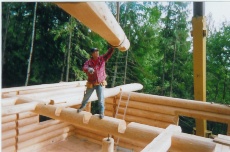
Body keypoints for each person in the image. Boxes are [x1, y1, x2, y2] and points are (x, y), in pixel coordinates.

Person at [77, 46, 115, 119]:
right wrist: (89, 69)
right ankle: (82, 107)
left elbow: (108, 54)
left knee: (100, 99)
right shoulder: (89, 62)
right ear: (92, 54)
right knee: (86, 97)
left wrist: (112, 48)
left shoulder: (102, 59)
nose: (97, 53)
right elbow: (84, 67)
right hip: (91, 83)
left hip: (99, 83)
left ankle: (101, 112)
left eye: (97, 51)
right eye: (95, 52)